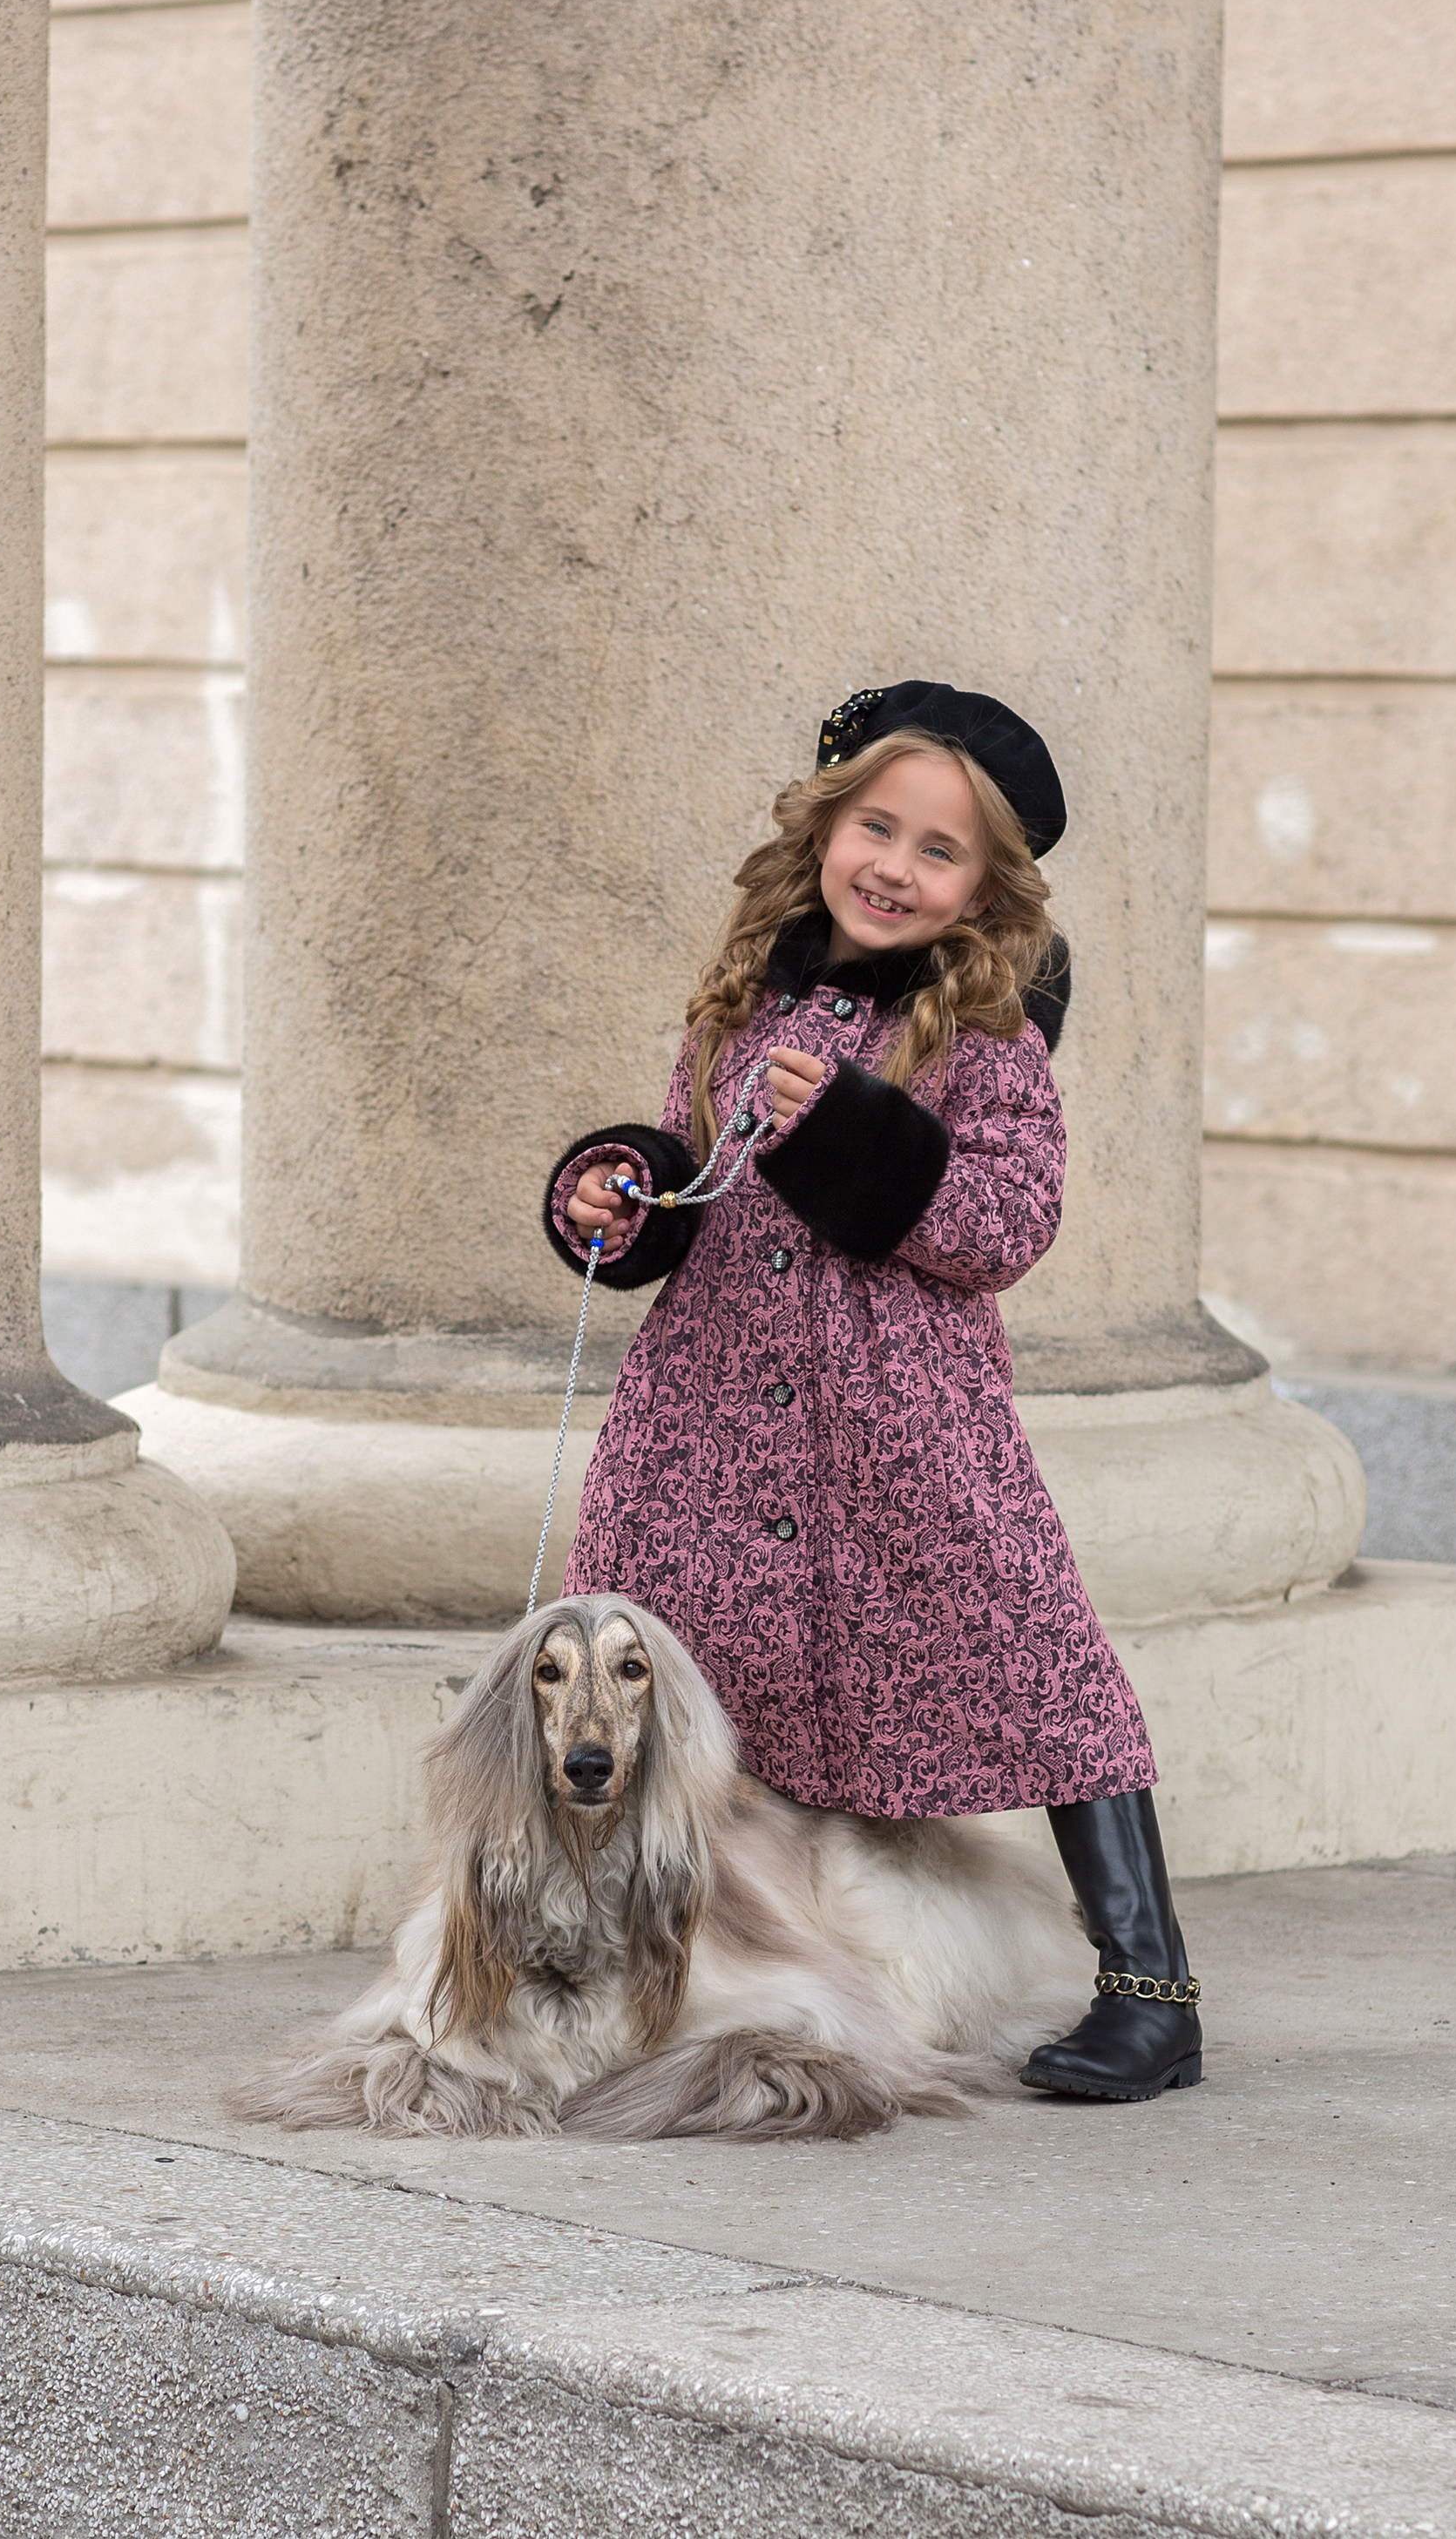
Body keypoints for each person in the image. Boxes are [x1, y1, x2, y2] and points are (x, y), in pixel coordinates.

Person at [540, 680, 1201, 2102]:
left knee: (1042, 1665)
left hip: (901, 1422)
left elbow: (1008, 1220)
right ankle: (651, 1954)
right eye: (877, 829)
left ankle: (1151, 1989)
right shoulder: (742, 1004)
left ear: (985, 886)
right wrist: (624, 1193)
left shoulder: (989, 1034)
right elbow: (693, 1182)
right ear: (826, 829)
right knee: (674, 1673)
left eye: (940, 850)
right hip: (707, 1417)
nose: (896, 867)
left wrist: (850, 1132)